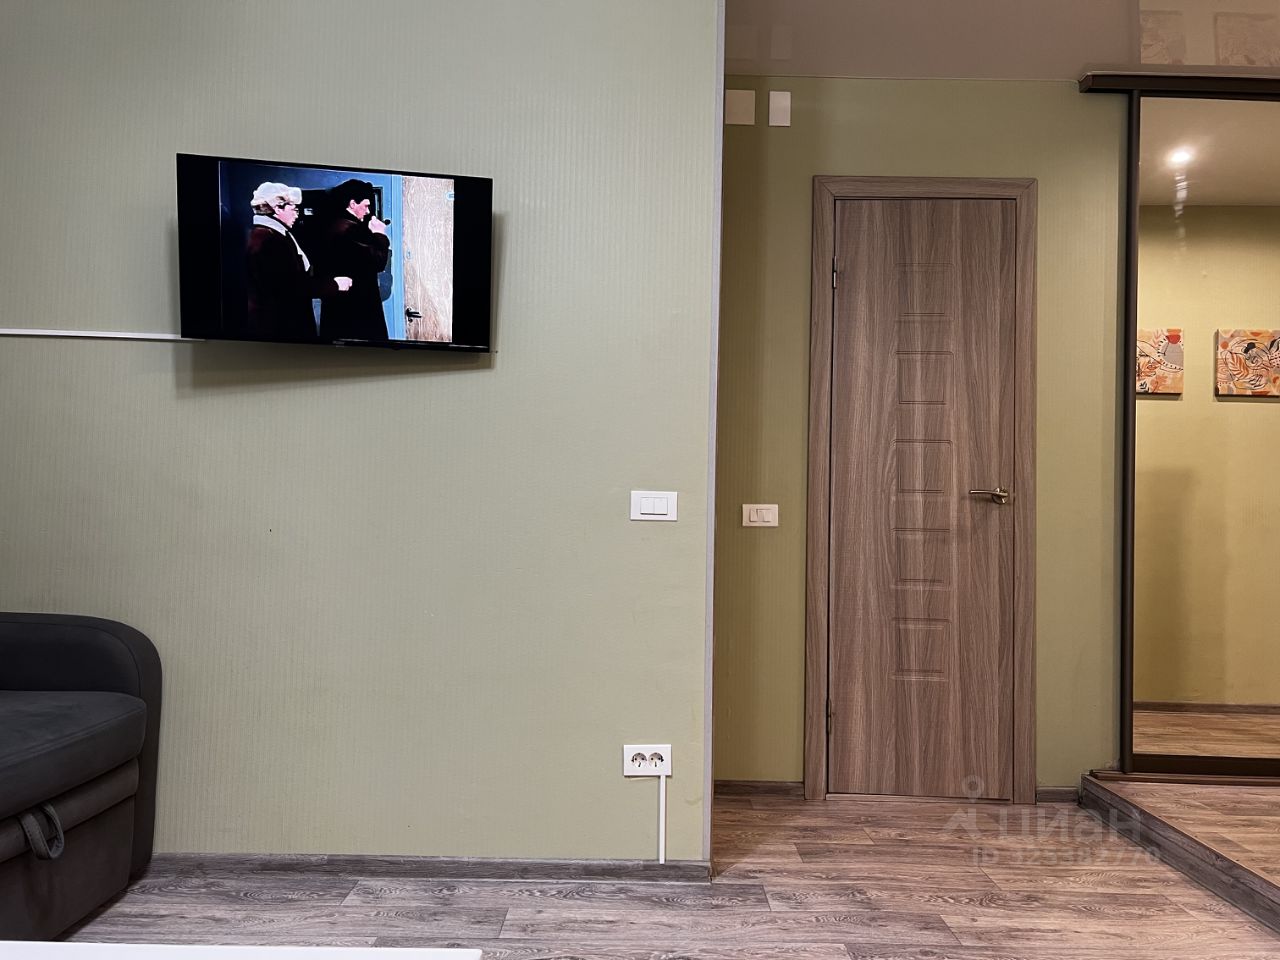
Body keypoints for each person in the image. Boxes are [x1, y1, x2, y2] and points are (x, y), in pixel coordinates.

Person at [245, 183, 351, 341]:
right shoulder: (269, 239)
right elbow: (290, 286)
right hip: (280, 328)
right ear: (277, 208)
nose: (296, 214)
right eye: (294, 208)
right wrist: (334, 285)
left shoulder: (272, 234)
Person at [317, 179, 392, 341]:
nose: (368, 211)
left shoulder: (333, 226)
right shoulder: (350, 229)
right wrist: (380, 234)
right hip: (357, 310)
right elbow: (377, 262)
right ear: (352, 204)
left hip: (340, 309)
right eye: (365, 205)